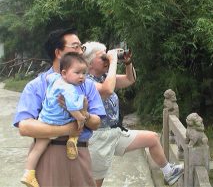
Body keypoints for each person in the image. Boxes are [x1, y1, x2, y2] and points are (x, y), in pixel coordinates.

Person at [13, 28, 106, 187]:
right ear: (58, 52)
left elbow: (96, 123)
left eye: (81, 47)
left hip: (80, 152)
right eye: (75, 46)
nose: (80, 51)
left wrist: (85, 114)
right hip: (49, 153)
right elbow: (25, 127)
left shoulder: (88, 85)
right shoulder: (37, 86)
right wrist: (67, 129)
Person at [83, 41, 184, 187]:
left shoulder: (106, 78)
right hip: (99, 138)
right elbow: (107, 90)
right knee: (95, 184)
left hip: (115, 132)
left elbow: (130, 79)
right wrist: (112, 62)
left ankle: (169, 172)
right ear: (89, 63)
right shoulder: (86, 82)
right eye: (102, 57)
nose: (107, 59)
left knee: (153, 138)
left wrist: (128, 62)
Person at [21, 52, 89, 187]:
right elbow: (72, 108)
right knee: (82, 106)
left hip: (45, 119)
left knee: (38, 148)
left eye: (84, 73)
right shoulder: (69, 89)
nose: (81, 76)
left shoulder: (55, 78)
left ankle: (28, 173)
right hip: (60, 121)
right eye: (77, 73)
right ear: (64, 73)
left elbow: (48, 78)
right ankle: (72, 140)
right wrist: (81, 118)